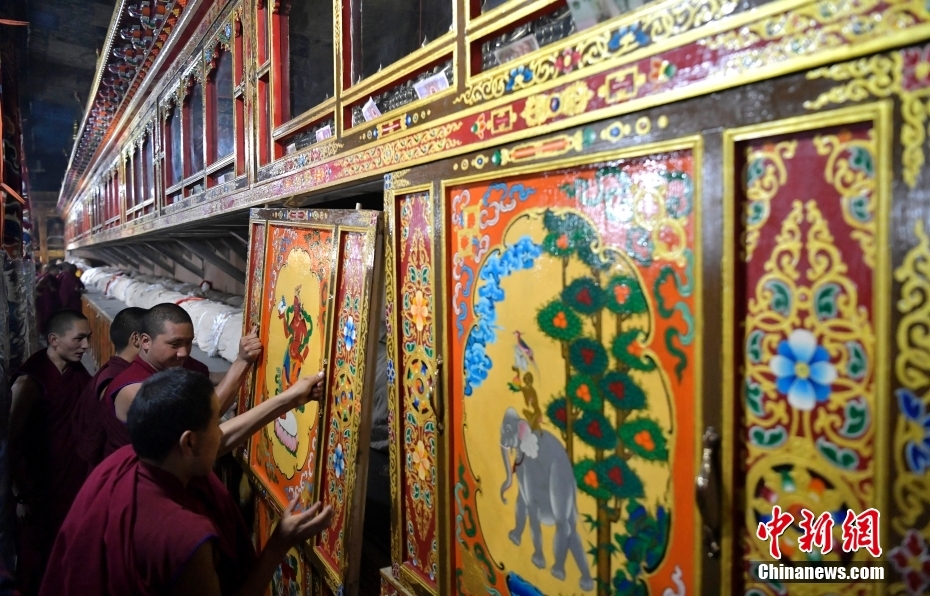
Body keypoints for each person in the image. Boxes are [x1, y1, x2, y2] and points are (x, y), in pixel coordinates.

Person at [40, 368, 333, 595]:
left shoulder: (120, 463)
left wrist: (290, 398)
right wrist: (279, 543)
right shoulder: (183, 537)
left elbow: (217, 442)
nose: (220, 432)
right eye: (216, 424)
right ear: (189, 442)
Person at [100, 303, 262, 459]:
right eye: (175, 344)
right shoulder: (135, 389)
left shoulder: (169, 366)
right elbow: (201, 425)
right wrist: (242, 362)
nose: (184, 352)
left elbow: (206, 379)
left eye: (188, 342)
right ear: (145, 341)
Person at [9, 310, 92, 595]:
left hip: (72, 482)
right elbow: (12, 442)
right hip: (39, 488)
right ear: (54, 340)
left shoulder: (76, 373)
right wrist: (20, 496)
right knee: (38, 561)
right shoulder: (31, 381)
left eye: (88, 338)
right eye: (79, 339)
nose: (86, 346)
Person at [74, 307, 147, 469]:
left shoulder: (115, 371)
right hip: (114, 468)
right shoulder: (115, 380)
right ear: (137, 339)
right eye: (151, 338)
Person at [34, 265, 60, 337]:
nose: (58, 272)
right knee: (45, 315)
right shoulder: (46, 277)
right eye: (56, 270)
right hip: (45, 300)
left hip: (49, 299)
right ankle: (44, 331)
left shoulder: (51, 277)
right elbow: (37, 285)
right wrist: (37, 292)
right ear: (52, 270)